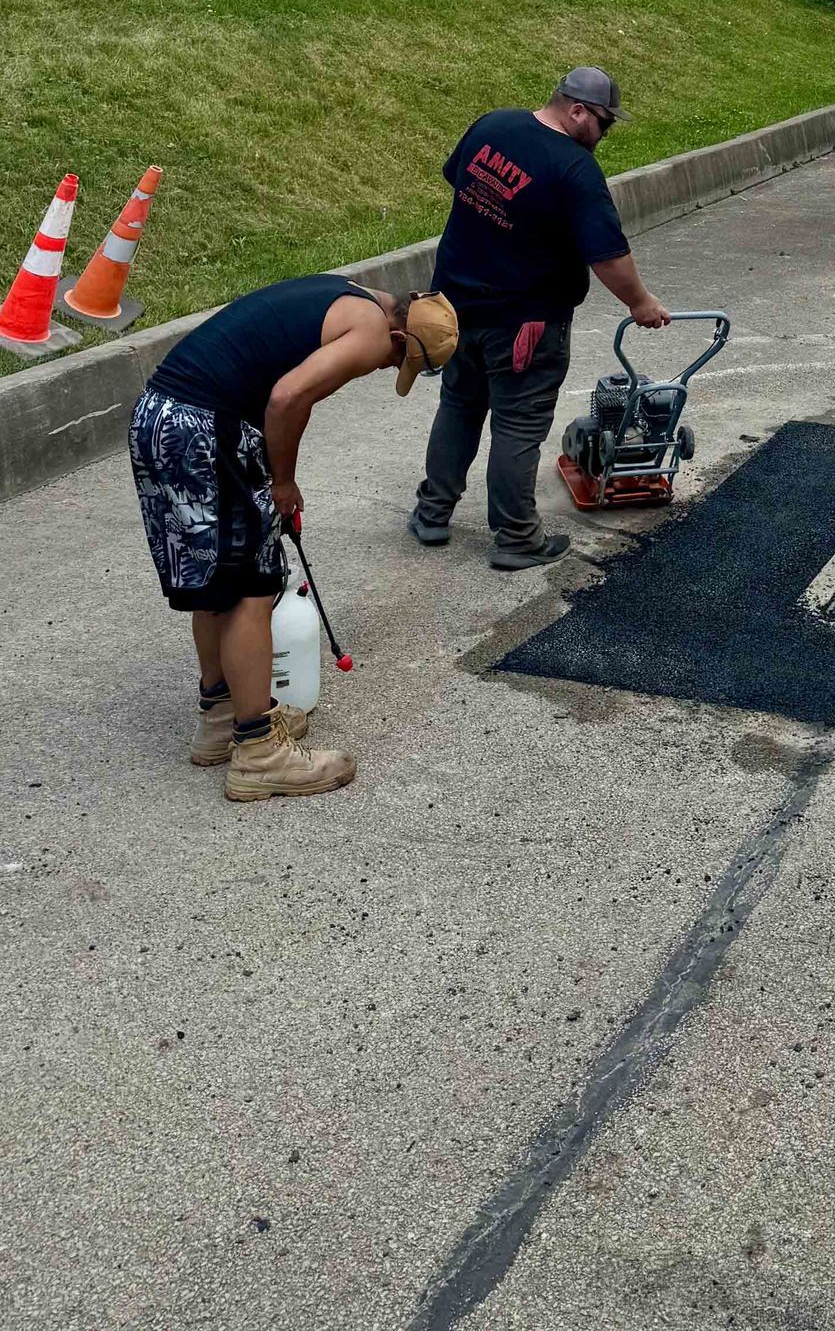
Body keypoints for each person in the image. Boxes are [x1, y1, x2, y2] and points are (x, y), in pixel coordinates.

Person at [130, 277, 459, 802]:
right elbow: (287, 397)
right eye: (397, 364)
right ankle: (259, 753)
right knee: (252, 590)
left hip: (160, 415)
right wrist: (281, 482)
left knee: (218, 579)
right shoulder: (375, 331)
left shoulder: (353, 294)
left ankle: (221, 715)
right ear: (400, 340)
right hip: (206, 428)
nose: (386, 368)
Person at [411, 67, 669, 567]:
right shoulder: (574, 169)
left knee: (459, 406)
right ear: (576, 111)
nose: (604, 135)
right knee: (517, 425)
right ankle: (516, 540)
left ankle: (432, 513)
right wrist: (640, 302)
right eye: (603, 123)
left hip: (453, 311)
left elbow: (458, 181)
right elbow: (608, 257)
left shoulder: (492, 126)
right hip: (524, 324)